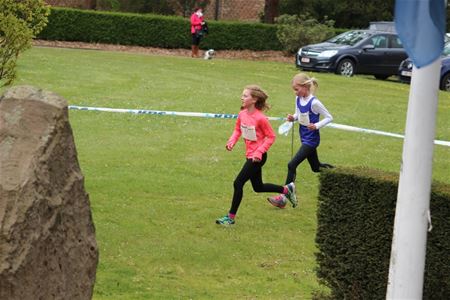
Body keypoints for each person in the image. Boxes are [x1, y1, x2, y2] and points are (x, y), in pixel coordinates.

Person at [216, 85, 297, 225]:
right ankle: (286, 189)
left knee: (238, 183)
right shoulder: (242, 114)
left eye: (245, 96)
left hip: (258, 157)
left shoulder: (261, 118)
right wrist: (232, 141)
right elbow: (237, 130)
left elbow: (271, 137)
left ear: (254, 100)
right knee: (258, 187)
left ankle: (230, 218)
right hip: (250, 155)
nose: (242, 98)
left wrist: (259, 152)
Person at [268, 73, 334, 208]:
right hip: (303, 136)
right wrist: (293, 117)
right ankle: (338, 172)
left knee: (291, 165)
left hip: (312, 139)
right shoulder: (298, 99)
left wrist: (316, 126)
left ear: (305, 87)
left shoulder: (314, 102)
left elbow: (329, 117)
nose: (295, 92)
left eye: (297, 89)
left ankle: (283, 198)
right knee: (316, 167)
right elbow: (298, 114)